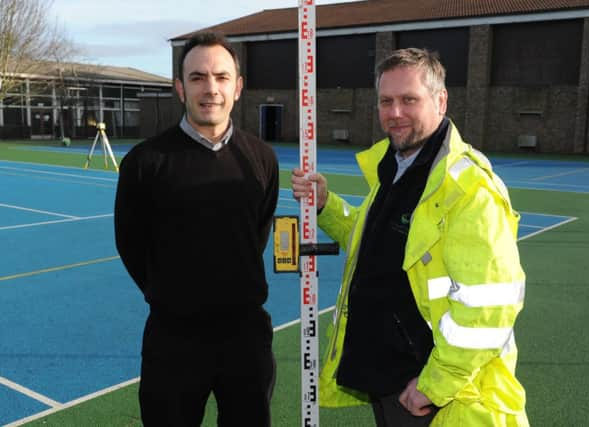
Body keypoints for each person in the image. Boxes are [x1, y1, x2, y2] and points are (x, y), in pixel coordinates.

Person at [291, 48, 528, 426]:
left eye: (409, 100)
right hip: (391, 380)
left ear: (440, 100)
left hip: (436, 398)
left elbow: (489, 307)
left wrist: (434, 385)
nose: (395, 113)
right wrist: (326, 205)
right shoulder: (396, 169)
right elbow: (374, 243)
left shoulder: (468, 189)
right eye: (386, 101)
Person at [114, 32, 279, 427]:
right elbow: (130, 244)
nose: (211, 89)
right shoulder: (144, 162)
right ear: (179, 88)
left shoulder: (262, 158)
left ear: (238, 88)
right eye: (198, 77)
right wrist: (175, 295)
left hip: (245, 338)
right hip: (173, 339)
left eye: (222, 78)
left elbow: (256, 234)